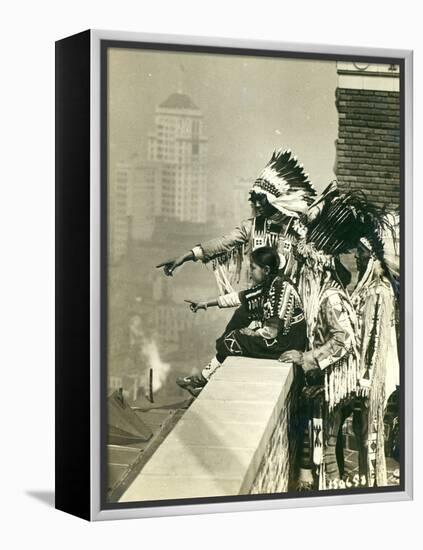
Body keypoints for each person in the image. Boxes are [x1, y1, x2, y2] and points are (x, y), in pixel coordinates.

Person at [279, 186, 384, 490]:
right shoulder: (323, 296)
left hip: (331, 388)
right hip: (323, 387)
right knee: (318, 450)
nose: (299, 271)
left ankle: (329, 496)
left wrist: (308, 358)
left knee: (323, 451)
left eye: (304, 265)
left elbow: (345, 340)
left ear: (316, 268)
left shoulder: (330, 298)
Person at [157, 149, 317, 294]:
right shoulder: (252, 227)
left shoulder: (299, 229)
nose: (258, 205)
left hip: (292, 307)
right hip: (258, 303)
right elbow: (223, 243)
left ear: (276, 199)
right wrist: (186, 256)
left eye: (262, 200)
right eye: (255, 200)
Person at [177, 247, 307, 397]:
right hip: (281, 338)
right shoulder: (270, 285)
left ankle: (202, 379)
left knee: (233, 339)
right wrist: (205, 303)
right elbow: (240, 297)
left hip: (287, 343)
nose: (250, 273)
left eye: (253, 268)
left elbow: (272, 331)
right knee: (237, 330)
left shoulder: (281, 289)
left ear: (265, 269)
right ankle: (203, 379)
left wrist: (253, 333)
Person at [346, 232, 400, 487]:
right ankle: (367, 477)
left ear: (373, 258)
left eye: (361, 252)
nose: (356, 256)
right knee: (361, 425)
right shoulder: (368, 287)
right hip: (365, 370)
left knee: (371, 427)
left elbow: (377, 336)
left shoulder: (380, 292)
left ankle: (373, 483)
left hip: (374, 372)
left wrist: (367, 376)